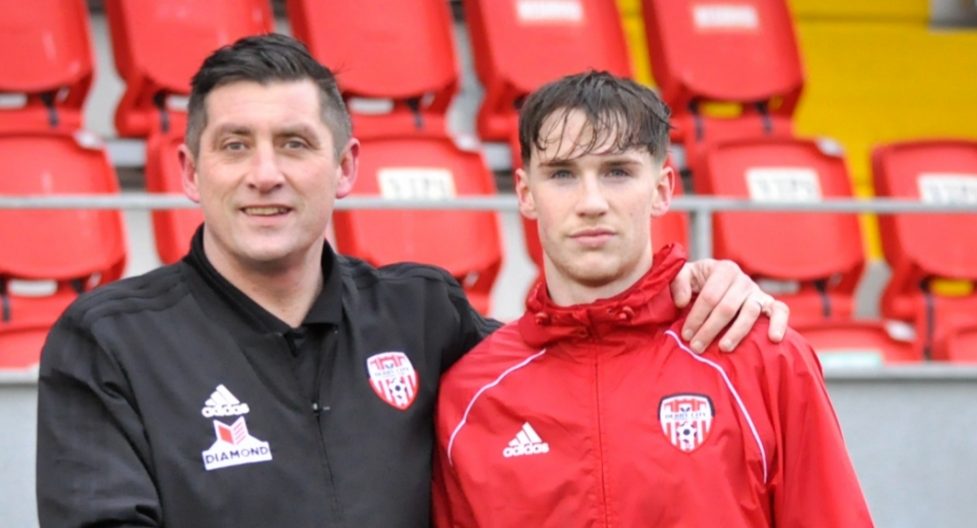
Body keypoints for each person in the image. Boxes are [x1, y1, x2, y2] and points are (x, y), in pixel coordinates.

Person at [36, 35, 789, 527]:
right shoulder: (110, 341)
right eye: (235, 146)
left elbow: (573, 351)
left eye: (294, 143)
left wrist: (689, 289)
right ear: (189, 172)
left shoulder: (422, 313)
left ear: (345, 168)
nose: (265, 174)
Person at [432, 71, 873, 527]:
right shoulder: (469, 396)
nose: (591, 202)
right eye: (562, 174)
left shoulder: (760, 358)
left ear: (662, 190)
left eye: (617, 172)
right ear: (526, 195)